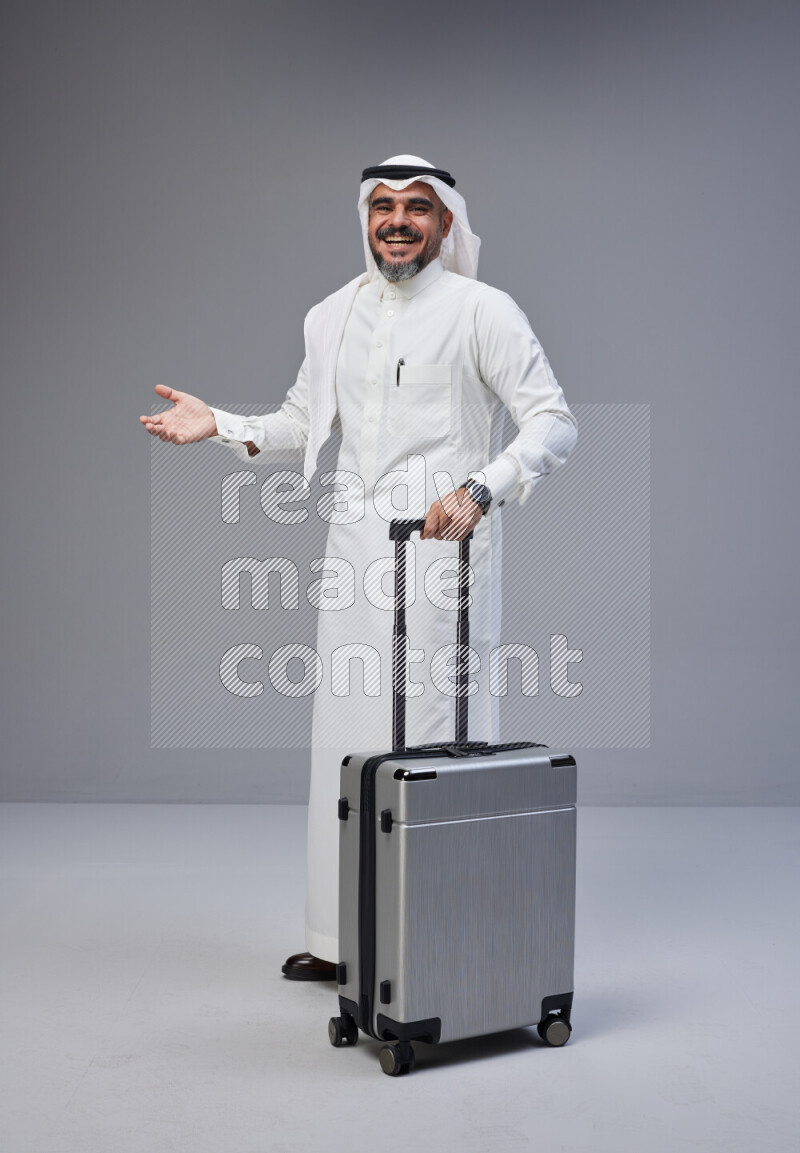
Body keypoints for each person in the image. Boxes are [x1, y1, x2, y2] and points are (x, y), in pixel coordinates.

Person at [140, 154, 577, 980]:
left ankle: (435, 944)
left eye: (418, 206)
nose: (399, 220)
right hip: (352, 553)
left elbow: (554, 422)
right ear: (366, 218)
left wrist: (485, 488)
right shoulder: (331, 314)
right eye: (384, 206)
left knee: (436, 742)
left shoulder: (483, 310)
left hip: (444, 549)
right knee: (344, 741)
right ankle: (347, 942)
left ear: (446, 222)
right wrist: (218, 423)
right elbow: (304, 422)